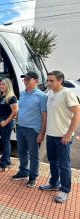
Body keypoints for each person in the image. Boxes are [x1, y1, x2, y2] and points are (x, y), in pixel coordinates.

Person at [39, 71, 80, 203]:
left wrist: (68, 134)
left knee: (64, 165)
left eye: (52, 81)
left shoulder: (67, 93)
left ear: (60, 80)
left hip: (63, 136)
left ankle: (65, 190)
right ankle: (54, 183)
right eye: (48, 81)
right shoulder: (50, 93)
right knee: (53, 161)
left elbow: (77, 113)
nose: (49, 83)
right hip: (51, 135)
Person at [12, 71, 47, 188]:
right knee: (22, 152)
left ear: (36, 81)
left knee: (34, 155)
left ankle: (33, 177)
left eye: (28, 79)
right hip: (21, 128)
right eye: (24, 79)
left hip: (33, 130)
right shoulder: (22, 93)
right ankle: (23, 172)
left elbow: (44, 116)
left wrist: (42, 133)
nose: (25, 81)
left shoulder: (42, 96)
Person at [0, 78, 18, 172]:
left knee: (6, 143)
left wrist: (6, 122)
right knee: (5, 142)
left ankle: (3, 165)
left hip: (6, 122)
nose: (1, 86)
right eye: (0, 85)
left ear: (8, 85)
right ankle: (7, 162)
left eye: (3, 84)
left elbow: (15, 111)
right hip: (0, 121)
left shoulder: (11, 97)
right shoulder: (1, 95)